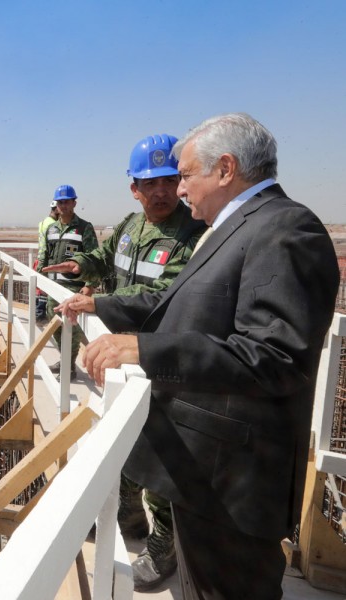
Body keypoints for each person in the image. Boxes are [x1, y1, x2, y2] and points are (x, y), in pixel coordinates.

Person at [57, 113, 339, 599]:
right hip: (207, 475)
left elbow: (274, 356)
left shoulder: (287, 230)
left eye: (185, 176)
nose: (180, 191)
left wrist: (145, 347)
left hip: (234, 483)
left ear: (225, 169)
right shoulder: (238, 227)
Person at [42, 134, 207, 589]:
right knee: (126, 445)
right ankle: (128, 517)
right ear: (134, 188)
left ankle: (163, 549)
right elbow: (104, 258)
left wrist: (100, 302)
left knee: (164, 461)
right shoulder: (130, 227)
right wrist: (80, 266)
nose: (159, 191)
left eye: (169, 180)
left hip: (161, 363)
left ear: (181, 182)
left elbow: (164, 294)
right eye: (149, 183)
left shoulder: (194, 234)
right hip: (119, 359)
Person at [37, 185, 98, 378]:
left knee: (72, 328)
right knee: (54, 325)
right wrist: (40, 278)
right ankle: (65, 361)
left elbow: (94, 259)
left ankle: (70, 367)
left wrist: (89, 286)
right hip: (53, 287)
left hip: (73, 288)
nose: (63, 205)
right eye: (60, 202)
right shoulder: (52, 229)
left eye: (67, 201)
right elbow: (45, 254)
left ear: (74, 203)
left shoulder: (84, 228)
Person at [35, 200, 60, 321]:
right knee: (45, 289)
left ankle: (39, 312)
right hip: (47, 259)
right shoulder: (52, 224)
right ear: (55, 209)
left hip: (40, 257)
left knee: (41, 288)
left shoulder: (43, 222)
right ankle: (41, 314)